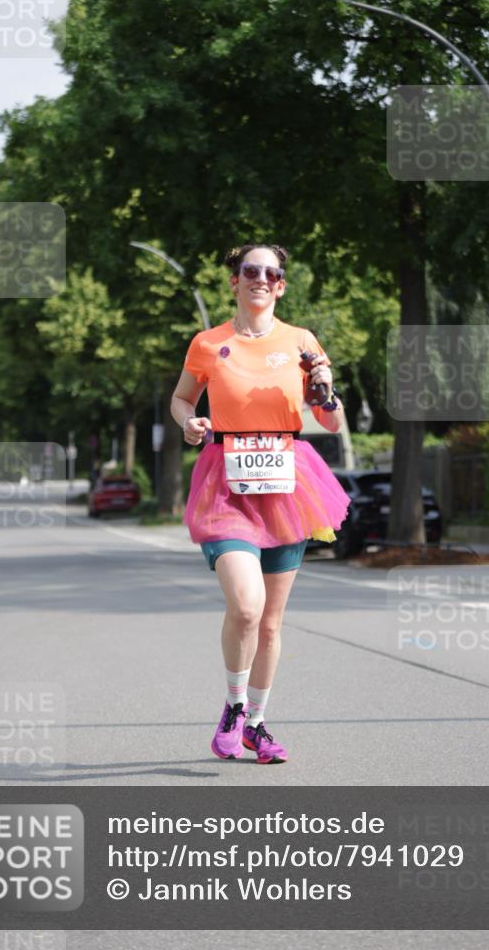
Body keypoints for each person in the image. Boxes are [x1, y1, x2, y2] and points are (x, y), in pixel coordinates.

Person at [171, 244, 350, 765]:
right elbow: (182, 397)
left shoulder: (301, 342)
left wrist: (324, 392)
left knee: (271, 622)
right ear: (234, 281)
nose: (261, 279)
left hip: (286, 483)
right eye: (251, 270)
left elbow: (331, 420)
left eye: (271, 273)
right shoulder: (209, 343)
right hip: (226, 482)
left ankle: (257, 723)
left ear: (281, 285)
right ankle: (233, 706)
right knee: (245, 606)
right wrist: (191, 422)